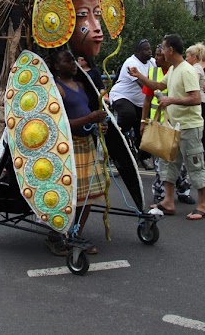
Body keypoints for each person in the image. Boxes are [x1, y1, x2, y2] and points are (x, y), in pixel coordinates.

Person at [48, 49, 109, 253]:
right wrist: (90, 118)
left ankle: (75, 234)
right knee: (67, 196)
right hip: (68, 148)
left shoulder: (81, 85)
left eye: (74, 60)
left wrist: (98, 124)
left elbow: (88, 114)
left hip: (86, 145)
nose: (74, 63)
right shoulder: (57, 89)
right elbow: (60, 123)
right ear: (57, 66)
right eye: (68, 61)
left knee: (88, 196)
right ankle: (57, 236)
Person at [150, 35, 205, 219]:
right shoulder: (174, 70)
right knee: (169, 164)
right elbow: (159, 85)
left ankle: (203, 206)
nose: (160, 51)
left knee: (195, 164)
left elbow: (196, 98)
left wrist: (171, 100)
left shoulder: (186, 71)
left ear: (171, 50)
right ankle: (168, 201)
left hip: (190, 126)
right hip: (175, 126)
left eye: (162, 47)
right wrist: (138, 77)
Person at [129, 43, 194, 206]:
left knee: (178, 159)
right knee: (161, 160)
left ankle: (182, 189)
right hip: (157, 123)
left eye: (159, 55)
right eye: (156, 55)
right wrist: (143, 122)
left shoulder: (179, 71)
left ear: (167, 55)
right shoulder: (154, 72)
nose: (156, 58)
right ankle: (160, 192)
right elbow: (147, 100)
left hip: (176, 122)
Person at [108, 40, 155, 163]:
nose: (149, 51)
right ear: (138, 52)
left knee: (144, 128)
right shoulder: (131, 63)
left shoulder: (152, 62)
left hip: (139, 101)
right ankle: (116, 137)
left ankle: (143, 157)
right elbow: (143, 86)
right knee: (129, 115)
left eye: (150, 49)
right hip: (122, 96)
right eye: (146, 49)